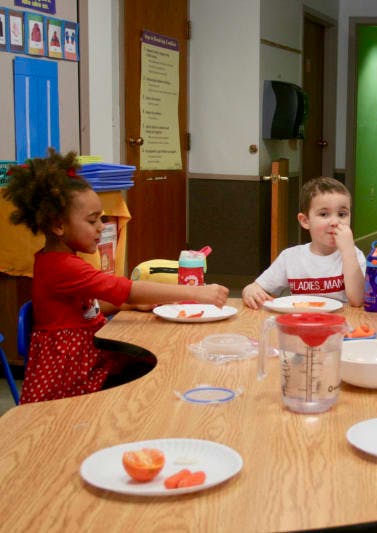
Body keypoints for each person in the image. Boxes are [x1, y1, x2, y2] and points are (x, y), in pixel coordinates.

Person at [2, 149, 229, 404]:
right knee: (157, 372)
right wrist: (196, 292)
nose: (101, 227)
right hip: (71, 378)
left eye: (101, 219)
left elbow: (85, 307)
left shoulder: (58, 260)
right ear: (58, 225)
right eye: (92, 221)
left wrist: (131, 304)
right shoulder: (62, 266)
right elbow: (124, 288)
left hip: (87, 358)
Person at [242, 176, 366, 309]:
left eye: (342, 214)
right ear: (305, 221)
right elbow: (258, 287)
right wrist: (249, 290)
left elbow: (357, 300)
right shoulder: (290, 257)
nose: (335, 222)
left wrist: (348, 252)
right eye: (324, 214)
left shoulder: (354, 255)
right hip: (299, 322)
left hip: (340, 323)